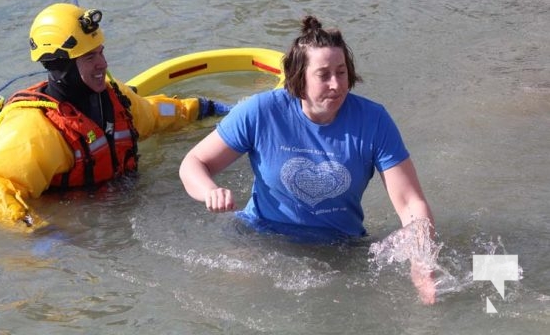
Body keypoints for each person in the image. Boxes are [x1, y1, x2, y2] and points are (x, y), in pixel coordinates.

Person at [179, 15, 437, 304]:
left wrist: (421, 263)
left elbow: (411, 203)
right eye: (323, 74)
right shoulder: (260, 112)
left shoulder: (374, 121)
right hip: (260, 238)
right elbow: (194, 163)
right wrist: (209, 191)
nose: (337, 84)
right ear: (299, 77)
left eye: (341, 72)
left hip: (339, 248)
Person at [0, 2, 231, 229]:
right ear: (59, 65)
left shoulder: (115, 97)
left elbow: (155, 114)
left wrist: (203, 108)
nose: (103, 64)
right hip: (82, 228)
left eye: (101, 52)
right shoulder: (32, 128)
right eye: (90, 57)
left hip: (129, 210)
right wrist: (39, 232)